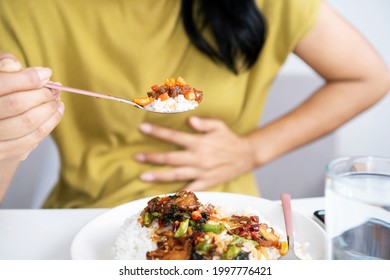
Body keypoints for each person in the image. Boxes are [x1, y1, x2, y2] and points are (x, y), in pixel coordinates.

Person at [0, 0, 389, 208]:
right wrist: (5, 142)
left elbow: (369, 77)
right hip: (85, 215)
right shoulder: (23, 9)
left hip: (226, 210)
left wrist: (253, 150)